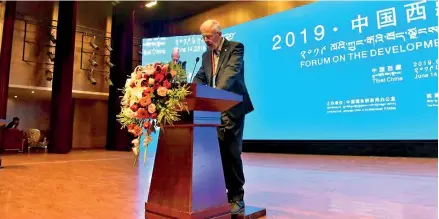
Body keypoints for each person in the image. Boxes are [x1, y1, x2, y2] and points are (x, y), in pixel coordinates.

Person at [192, 19, 254, 215]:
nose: (206, 40)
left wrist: (215, 95)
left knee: (231, 152)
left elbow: (230, 74)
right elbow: (201, 77)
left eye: (208, 36)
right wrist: (189, 91)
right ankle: (217, 195)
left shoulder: (236, 48)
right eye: (203, 37)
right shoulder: (205, 56)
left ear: (218, 34)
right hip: (212, 111)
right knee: (214, 154)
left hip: (231, 108)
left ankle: (237, 198)